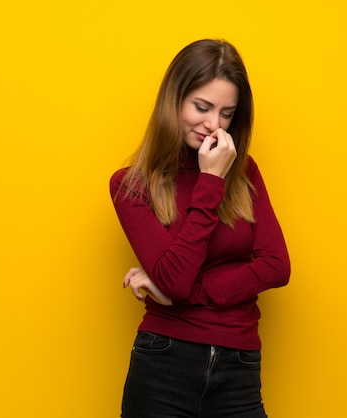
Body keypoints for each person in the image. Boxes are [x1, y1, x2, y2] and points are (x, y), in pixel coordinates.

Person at [109, 39, 290, 418]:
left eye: (227, 113)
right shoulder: (132, 185)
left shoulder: (245, 174)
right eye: (202, 107)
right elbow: (175, 279)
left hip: (239, 365)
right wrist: (210, 182)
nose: (214, 124)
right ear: (173, 101)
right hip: (164, 363)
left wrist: (188, 294)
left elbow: (277, 266)